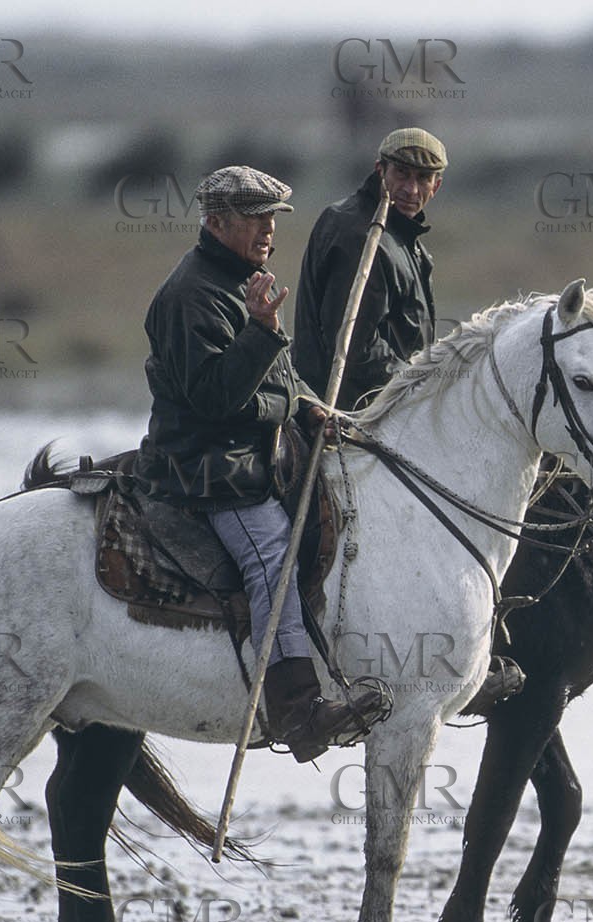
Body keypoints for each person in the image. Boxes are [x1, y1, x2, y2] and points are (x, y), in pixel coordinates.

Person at [133, 164, 387, 763]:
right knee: (272, 549)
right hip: (210, 468)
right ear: (217, 223)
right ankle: (298, 708)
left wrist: (312, 405)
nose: (270, 230)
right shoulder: (189, 296)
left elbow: (280, 379)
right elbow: (218, 400)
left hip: (252, 453)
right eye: (256, 219)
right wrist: (266, 336)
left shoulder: (242, 280)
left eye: (273, 219)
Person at [294, 127, 447, 409]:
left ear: (436, 186)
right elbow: (354, 347)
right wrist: (421, 388)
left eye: (423, 178)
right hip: (346, 416)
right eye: (401, 173)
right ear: (381, 171)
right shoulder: (361, 234)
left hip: (387, 409)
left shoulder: (403, 237)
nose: (411, 189)